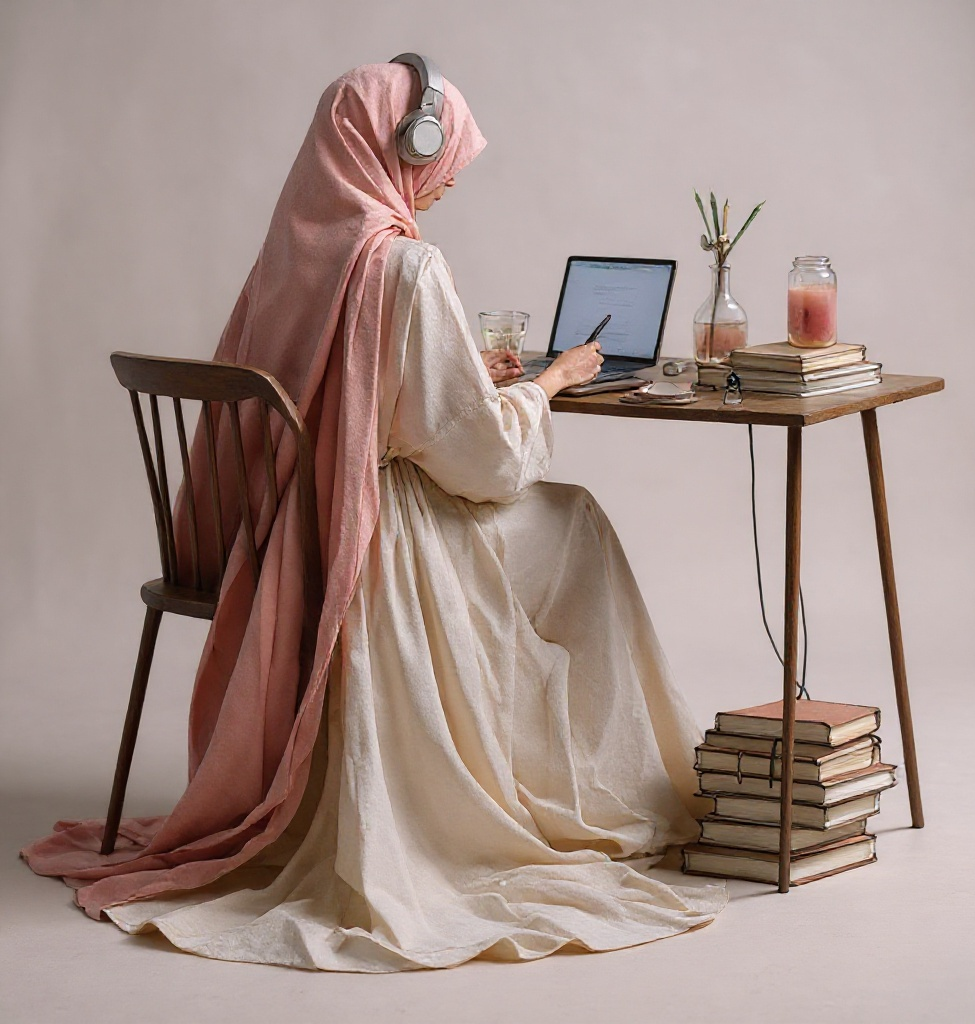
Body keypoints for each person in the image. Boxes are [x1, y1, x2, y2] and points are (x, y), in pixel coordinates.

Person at [22, 60, 726, 971]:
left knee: (557, 522)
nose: (451, 174)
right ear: (408, 141)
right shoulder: (409, 263)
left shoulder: (294, 250)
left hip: (281, 530)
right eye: (446, 154)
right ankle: (568, 787)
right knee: (575, 520)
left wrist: (462, 366)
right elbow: (478, 459)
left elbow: (352, 388)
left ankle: (526, 763)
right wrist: (548, 385)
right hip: (375, 531)